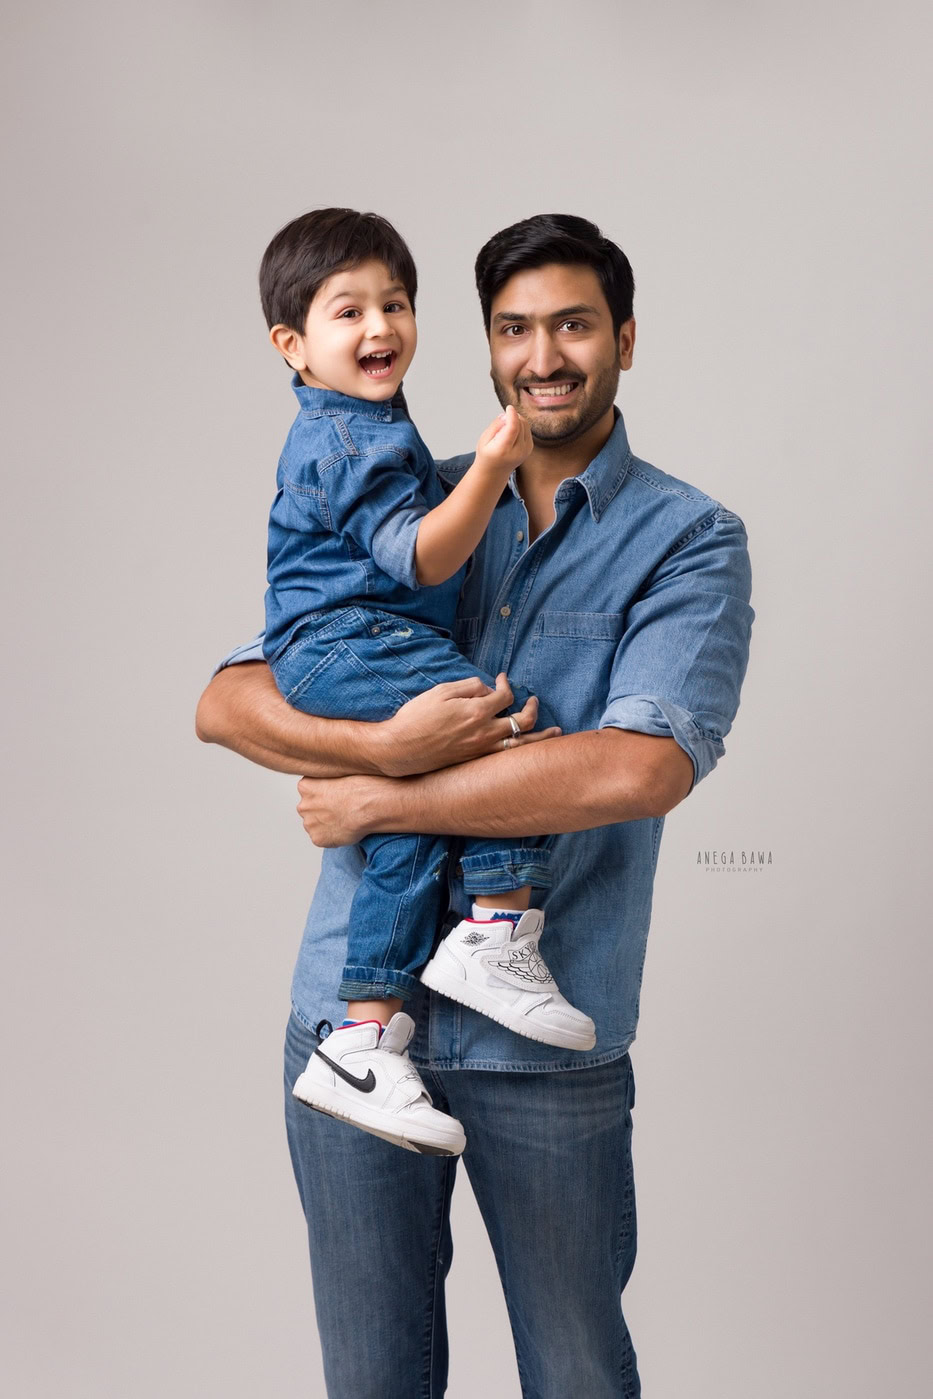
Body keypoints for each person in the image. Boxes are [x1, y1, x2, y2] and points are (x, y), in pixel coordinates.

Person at [196, 213, 754, 1398]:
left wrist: (377, 797)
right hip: (350, 1028)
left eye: (572, 325)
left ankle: (493, 939)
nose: (542, 355)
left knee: (577, 1375)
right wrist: (380, 744)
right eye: (514, 329)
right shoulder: (425, 501)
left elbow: (636, 767)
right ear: (489, 347)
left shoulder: (690, 538)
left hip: (543, 1051)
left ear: (626, 340)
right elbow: (231, 695)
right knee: (374, 1381)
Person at [258, 209, 596, 1159]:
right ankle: (492, 923)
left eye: (395, 304)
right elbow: (416, 557)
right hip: (341, 638)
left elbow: (645, 769)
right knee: (501, 726)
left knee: (413, 802)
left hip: (343, 636)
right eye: (347, 312)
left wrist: (381, 779)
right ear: (292, 344)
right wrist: (489, 468)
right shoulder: (350, 440)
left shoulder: (367, 421)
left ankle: (363, 1035)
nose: (379, 328)